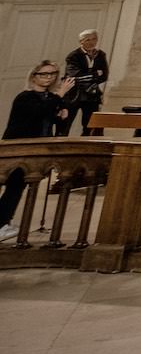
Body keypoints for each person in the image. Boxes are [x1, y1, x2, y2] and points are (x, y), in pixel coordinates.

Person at [2, 62, 72, 241]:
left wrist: (62, 115)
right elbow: (38, 113)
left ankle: (4, 221)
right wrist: (60, 95)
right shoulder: (25, 97)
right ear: (34, 76)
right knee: (12, 185)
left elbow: (52, 121)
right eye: (44, 74)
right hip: (18, 148)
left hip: (36, 148)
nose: (49, 77)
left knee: (17, 187)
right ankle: (1, 223)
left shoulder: (49, 98)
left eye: (52, 74)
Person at [61, 29, 109, 135]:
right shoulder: (73, 56)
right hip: (74, 94)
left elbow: (104, 76)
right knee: (66, 123)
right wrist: (95, 74)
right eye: (88, 40)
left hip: (91, 94)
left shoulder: (100, 55)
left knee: (90, 124)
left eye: (94, 39)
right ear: (81, 42)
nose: (92, 42)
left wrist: (87, 77)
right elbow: (74, 76)